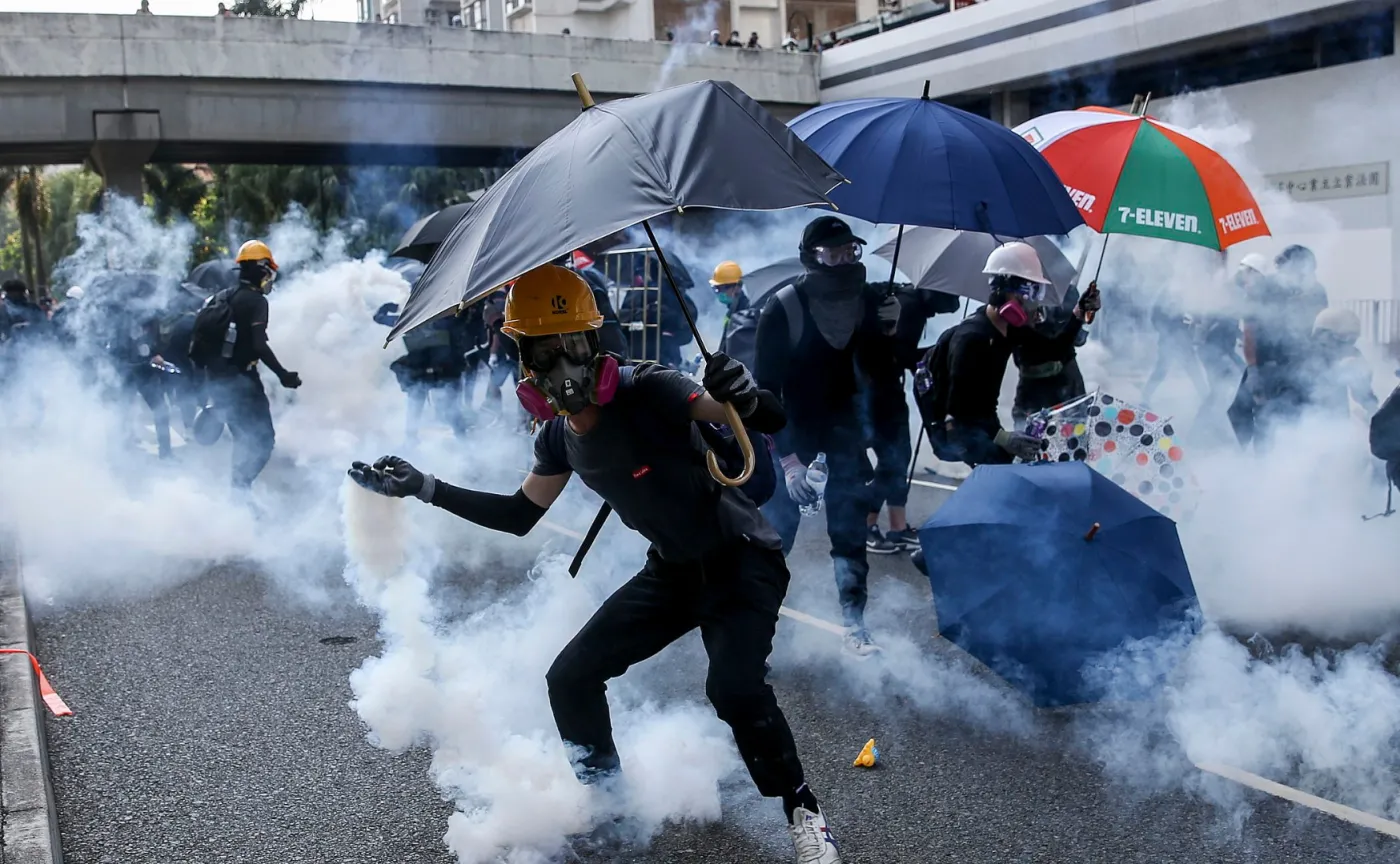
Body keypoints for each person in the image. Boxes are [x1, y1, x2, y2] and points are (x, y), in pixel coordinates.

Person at [348, 265, 844, 864]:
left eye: (573, 346)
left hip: (742, 561)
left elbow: (762, 417)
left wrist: (743, 392)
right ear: (524, 363)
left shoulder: (651, 387)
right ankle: (613, 808)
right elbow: (518, 514)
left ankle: (804, 812)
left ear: (595, 344)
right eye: (543, 351)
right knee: (570, 678)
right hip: (672, 573)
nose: (562, 366)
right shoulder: (557, 438)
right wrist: (425, 487)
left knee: (734, 689)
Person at [754, 216, 900, 657]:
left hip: (846, 438)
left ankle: (855, 626)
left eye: (849, 251)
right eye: (831, 254)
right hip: (792, 437)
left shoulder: (873, 301)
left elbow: (880, 376)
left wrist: (891, 331)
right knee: (773, 542)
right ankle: (754, 637)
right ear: (810, 257)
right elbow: (764, 392)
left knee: (851, 536)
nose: (843, 260)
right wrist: (788, 461)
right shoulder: (784, 307)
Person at [934, 242, 1098, 467]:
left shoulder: (1010, 329)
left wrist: (1079, 313)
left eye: (1037, 292)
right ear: (1003, 292)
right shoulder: (972, 338)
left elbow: (1052, 351)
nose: (1033, 303)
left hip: (987, 424)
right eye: (1029, 292)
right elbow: (959, 410)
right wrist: (1003, 438)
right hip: (966, 431)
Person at [861, 280, 959, 554]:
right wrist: (937, 352)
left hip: (886, 390)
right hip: (877, 394)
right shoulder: (910, 307)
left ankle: (898, 527)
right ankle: (865, 524)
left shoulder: (913, 304)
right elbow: (899, 354)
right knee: (891, 460)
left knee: (899, 459)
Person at [203, 240, 301, 491]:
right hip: (244, 383)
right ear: (261, 268)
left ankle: (238, 493)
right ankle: (240, 488)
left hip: (219, 380)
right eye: (268, 270)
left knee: (242, 439)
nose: (269, 277)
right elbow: (258, 344)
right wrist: (283, 374)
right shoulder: (257, 302)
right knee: (263, 441)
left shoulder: (224, 296)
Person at [1305, 307, 1377, 418]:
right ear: (1323, 335)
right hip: (1298, 421)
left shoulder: (1350, 354)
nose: (1348, 345)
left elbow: (1364, 394)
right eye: (1344, 338)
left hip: (1336, 421)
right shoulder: (1301, 356)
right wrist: (1335, 374)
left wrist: (1375, 411)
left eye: (1352, 339)